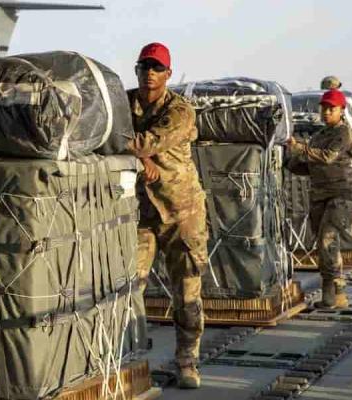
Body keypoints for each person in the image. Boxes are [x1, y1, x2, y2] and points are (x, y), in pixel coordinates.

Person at [128, 42, 206, 389]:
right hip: (142, 213)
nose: (149, 73)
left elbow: (146, 141)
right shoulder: (124, 103)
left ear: (168, 74)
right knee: (129, 285)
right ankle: (128, 359)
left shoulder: (180, 110)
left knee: (186, 291)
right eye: (144, 66)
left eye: (156, 68)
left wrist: (140, 153)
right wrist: (141, 161)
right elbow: (101, 133)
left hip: (181, 211)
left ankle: (187, 362)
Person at [286, 89, 352, 309]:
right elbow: (307, 167)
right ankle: (333, 293)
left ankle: (336, 292)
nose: (327, 112)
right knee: (323, 244)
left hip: (343, 195)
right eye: (324, 108)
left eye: (332, 109)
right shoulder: (319, 136)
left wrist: (299, 147)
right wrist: (286, 160)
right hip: (320, 196)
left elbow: (328, 157)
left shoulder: (344, 133)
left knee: (328, 238)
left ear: (341, 111)